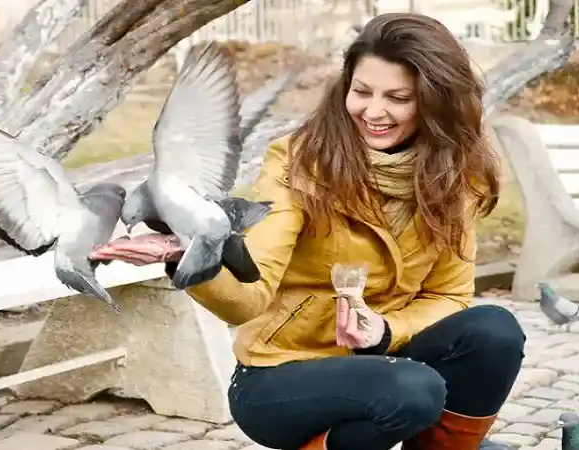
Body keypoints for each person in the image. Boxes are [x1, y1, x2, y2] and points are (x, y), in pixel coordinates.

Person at [91, 12, 526, 450]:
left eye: (398, 97)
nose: (374, 111)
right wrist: (186, 255)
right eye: (362, 91)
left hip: (382, 355)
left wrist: (385, 331)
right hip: (280, 375)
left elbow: (446, 296)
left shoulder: (456, 178)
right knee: (414, 389)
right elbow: (249, 296)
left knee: (495, 332)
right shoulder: (301, 163)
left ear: (435, 102)